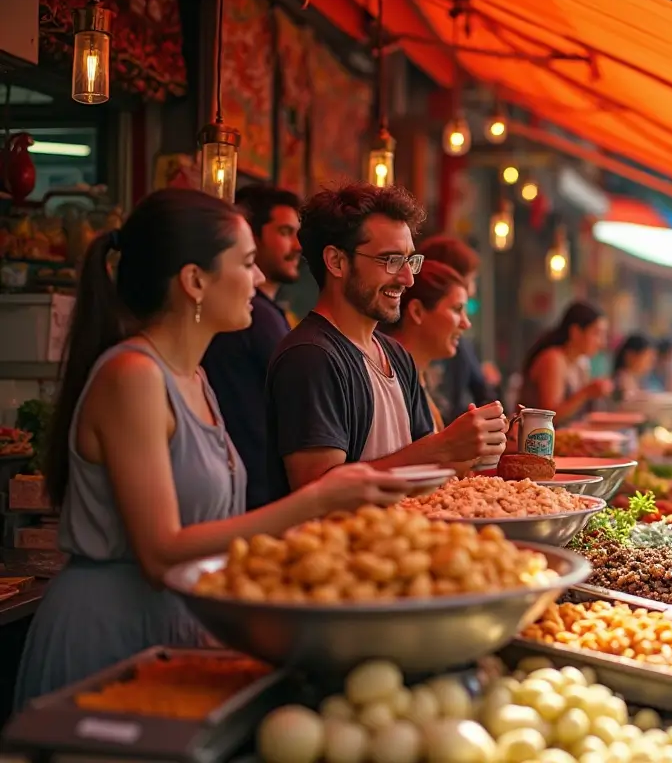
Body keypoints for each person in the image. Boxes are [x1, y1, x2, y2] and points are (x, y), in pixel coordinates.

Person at [14, 189, 412, 707]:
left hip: (182, 627)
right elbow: (159, 554)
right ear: (194, 281)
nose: (258, 280)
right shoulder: (132, 376)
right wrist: (316, 500)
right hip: (108, 634)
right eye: (246, 264)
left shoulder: (196, 377)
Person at [265, 183, 508, 498]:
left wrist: (470, 448)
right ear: (336, 262)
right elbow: (317, 493)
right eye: (391, 260)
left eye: (410, 260)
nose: (407, 278)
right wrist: (444, 446)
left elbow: (426, 471)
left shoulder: (395, 355)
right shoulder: (311, 357)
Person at [201, 185, 302, 510]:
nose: (298, 246)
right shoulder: (256, 316)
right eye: (286, 232)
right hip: (253, 498)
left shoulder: (265, 313)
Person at [379, 261, 471, 430]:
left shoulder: (416, 377)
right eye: (457, 310)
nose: (466, 323)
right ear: (417, 312)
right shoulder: (389, 379)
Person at [418, 236, 499, 418]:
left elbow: (485, 396)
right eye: (470, 280)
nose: (473, 290)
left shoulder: (457, 344)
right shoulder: (399, 356)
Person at [519, 301, 613, 419]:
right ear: (576, 332)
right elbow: (551, 416)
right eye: (596, 334)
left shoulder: (581, 362)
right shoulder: (553, 359)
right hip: (538, 435)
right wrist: (586, 392)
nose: (602, 342)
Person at [611, 334, 655, 401]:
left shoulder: (632, 379)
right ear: (630, 355)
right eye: (646, 358)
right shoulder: (620, 381)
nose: (649, 363)